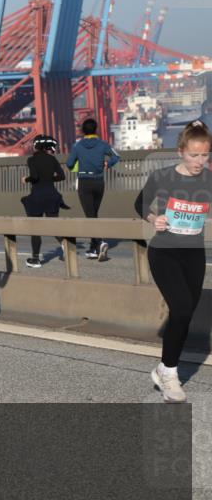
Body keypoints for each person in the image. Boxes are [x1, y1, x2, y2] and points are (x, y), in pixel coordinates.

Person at [135, 121, 212, 403]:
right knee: (180, 309)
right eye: (194, 155)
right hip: (165, 252)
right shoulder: (163, 176)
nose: (199, 161)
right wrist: (155, 218)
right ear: (181, 151)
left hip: (193, 253)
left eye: (205, 155)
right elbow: (140, 203)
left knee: (185, 315)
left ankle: (162, 368)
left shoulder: (208, 180)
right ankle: (169, 376)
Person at [66, 118, 120, 261]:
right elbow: (117, 156)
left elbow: (69, 163)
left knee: (90, 216)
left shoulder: (77, 146)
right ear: (96, 130)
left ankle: (100, 242)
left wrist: (78, 162)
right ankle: (93, 248)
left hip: (84, 182)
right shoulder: (103, 144)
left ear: (83, 131)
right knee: (93, 213)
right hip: (98, 182)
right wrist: (109, 163)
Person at [22, 135, 67, 268]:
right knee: (53, 224)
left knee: (35, 228)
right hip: (52, 196)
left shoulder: (32, 160)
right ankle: (64, 243)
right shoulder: (52, 159)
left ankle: (35, 259)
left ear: (36, 146)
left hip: (37, 197)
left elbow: (35, 177)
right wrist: (48, 180)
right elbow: (62, 176)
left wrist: (26, 179)